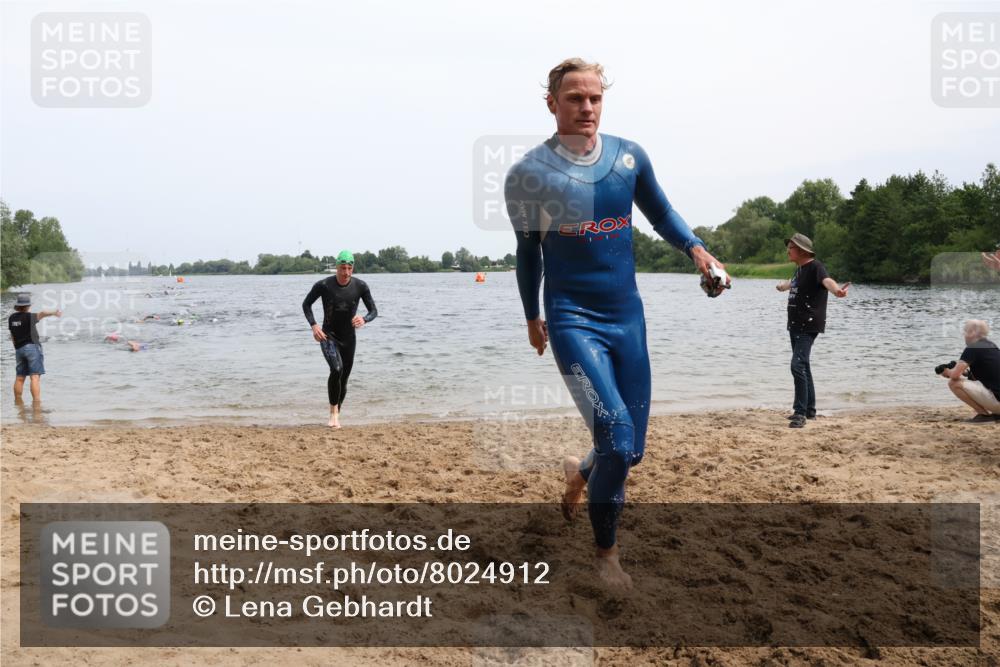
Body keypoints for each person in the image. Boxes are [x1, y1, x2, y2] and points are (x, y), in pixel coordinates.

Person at [504, 58, 729, 590]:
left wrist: (697, 251)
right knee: (616, 433)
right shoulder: (528, 174)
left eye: (595, 98)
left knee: (629, 450)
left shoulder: (630, 157)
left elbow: (663, 213)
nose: (587, 107)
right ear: (552, 103)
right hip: (571, 319)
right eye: (576, 98)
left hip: (627, 317)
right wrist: (532, 316)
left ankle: (578, 474)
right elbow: (527, 253)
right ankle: (607, 557)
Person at [776, 233, 849, 428]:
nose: (787, 251)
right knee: (804, 365)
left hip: (807, 325)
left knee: (797, 365)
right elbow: (794, 284)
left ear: (801, 250)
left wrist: (837, 292)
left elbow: (827, 281)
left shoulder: (816, 267)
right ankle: (810, 410)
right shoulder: (799, 270)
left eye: (790, 247)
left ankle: (800, 413)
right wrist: (783, 287)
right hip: (795, 324)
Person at [302, 250, 377, 428]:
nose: (346, 272)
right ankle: (333, 413)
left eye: (349, 268)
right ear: (336, 267)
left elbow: (373, 311)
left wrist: (364, 319)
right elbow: (306, 304)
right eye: (342, 268)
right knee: (336, 369)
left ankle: (337, 413)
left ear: (353, 268)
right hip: (328, 336)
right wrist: (314, 326)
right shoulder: (324, 285)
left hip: (349, 338)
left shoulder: (361, 286)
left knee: (343, 378)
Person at [939, 319, 1000, 422]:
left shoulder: (972, 348)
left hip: (997, 403)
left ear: (972, 332)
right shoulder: (992, 346)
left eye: (965, 331)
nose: (964, 334)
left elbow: (954, 376)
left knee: (953, 383)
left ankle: (983, 415)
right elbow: (990, 373)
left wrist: (946, 372)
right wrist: (966, 373)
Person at [7, 293, 61, 404]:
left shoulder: (11, 318)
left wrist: (16, 348)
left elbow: (12, 335)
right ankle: (36, 404)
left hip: (19, 349)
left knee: (19, 377)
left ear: (17, 305)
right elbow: (43, 313)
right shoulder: (30, 317)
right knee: (35, 377)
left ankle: (18, 402)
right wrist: (54, 312)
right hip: (32, 348)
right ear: (27, 306)